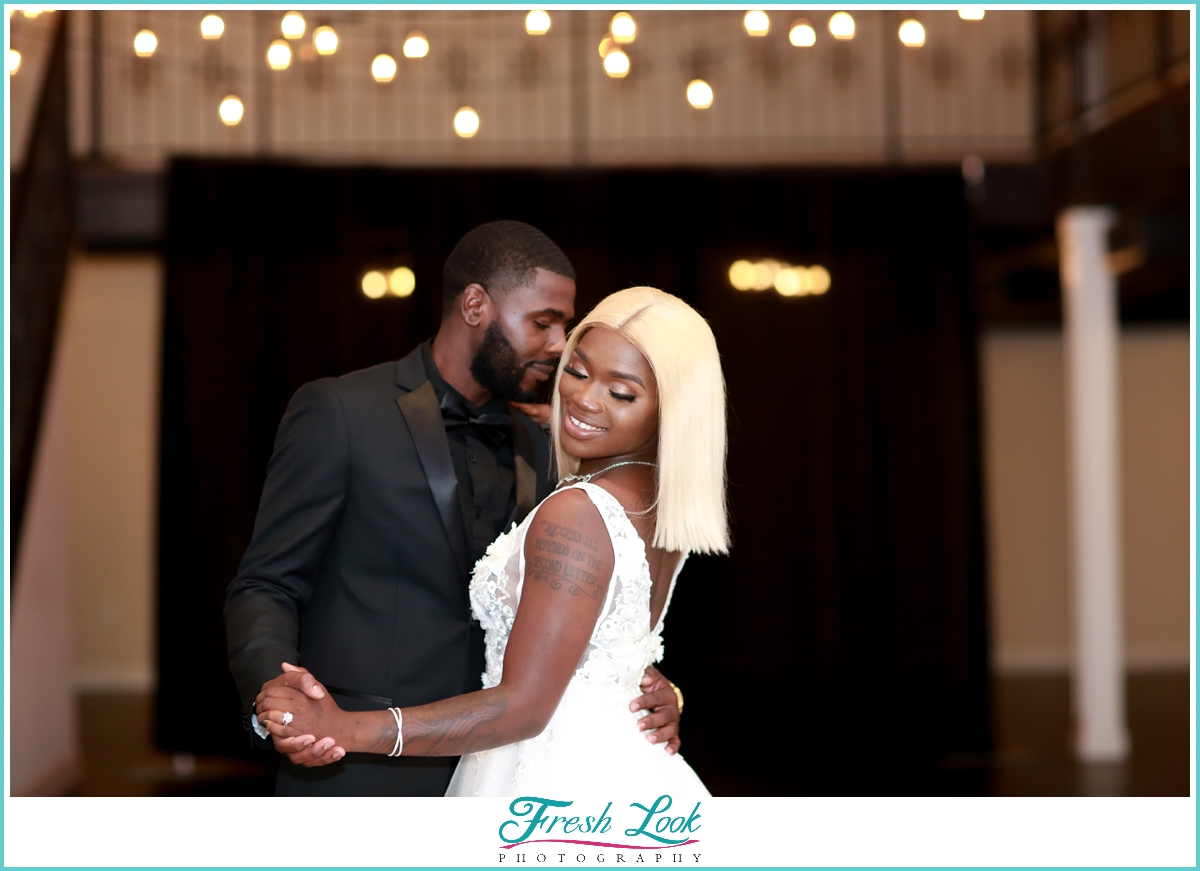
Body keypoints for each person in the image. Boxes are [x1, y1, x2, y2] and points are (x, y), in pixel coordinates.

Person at [224, 223, 683, 796]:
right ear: (475, 306)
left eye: (564, 325)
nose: (560, 344)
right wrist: (285, 703)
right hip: (353, 763)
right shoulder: (341, 412)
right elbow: (266, 584)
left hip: (502, 765)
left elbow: (572, 603)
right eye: (543, 322)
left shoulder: (553, 444)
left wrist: (637, 681)